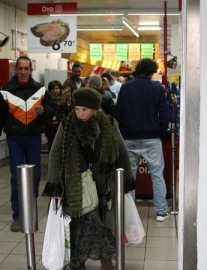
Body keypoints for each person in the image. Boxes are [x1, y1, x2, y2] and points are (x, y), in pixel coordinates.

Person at [42, 87, 135, 270]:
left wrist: (126, 181)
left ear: (95, 109)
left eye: (85, 109)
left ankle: (107, 262)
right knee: (78, 228)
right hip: (76, 185)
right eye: (77, 109)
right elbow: (55, 155)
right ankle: (78, 263)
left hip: (103, 184)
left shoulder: (108, 123)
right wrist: (55, 185)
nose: (80, 114)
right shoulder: (67, 126)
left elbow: (122, 152)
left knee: (104, 227)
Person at [0, 56, 54, 232]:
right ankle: (17, 216)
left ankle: (29, 208)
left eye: (27, 68)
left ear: (31, 70)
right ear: (15, 70)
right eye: (20, 68)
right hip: (14, 139)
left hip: (33, 139)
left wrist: (44, 110)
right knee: (17, 178)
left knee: (36, 176)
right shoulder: (6, 91)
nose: (23, 72)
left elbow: (52, 110)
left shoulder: (40, 90)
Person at [114, 58, 170, 222]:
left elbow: (118, 114)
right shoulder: (157, 88)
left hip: (129, 138)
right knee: (157, 175)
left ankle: (129, 213)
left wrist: (122, 134)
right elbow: (164, 115)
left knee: (130, 177)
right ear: (152, 72)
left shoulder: (125, 88)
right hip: (151, 138)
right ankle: (161, 212)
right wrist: (160, 133)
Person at [45, 80, 71, 150]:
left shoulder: (64, 100)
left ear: (60, 89)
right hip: (50, 129)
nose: (55, 91)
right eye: (53, 89)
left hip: (61, 127)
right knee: (52, 148)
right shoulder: (46, 100)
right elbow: (44, 115)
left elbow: (67, 114)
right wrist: (50, 123)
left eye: (57, 88)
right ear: (50, 90)